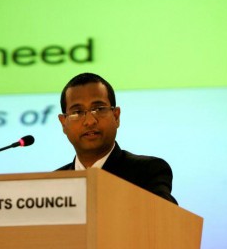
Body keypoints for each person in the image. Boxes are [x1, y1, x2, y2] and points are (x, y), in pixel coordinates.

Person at [57, 72, 177, 204]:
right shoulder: (52, 184)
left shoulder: (147, 171)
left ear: (116, 116)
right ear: (63, 123)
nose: (90, 121)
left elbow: (165, 219)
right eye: (77, 112)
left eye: (99, 109)